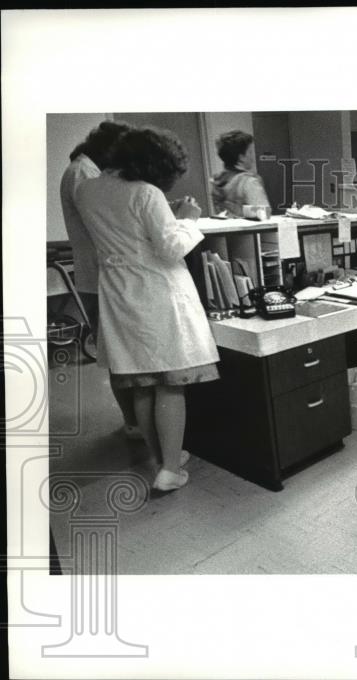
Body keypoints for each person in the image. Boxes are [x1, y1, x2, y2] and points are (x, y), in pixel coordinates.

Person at [75, 126, 220, 494]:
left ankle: (162, 461)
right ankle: (171, 469)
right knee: (170, 384)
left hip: (118, 294)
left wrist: (163, 216)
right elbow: (171, 248)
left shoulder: (87, 189)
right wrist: (188, 219)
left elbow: (125, 227)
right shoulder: (146, 192)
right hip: (156, 292)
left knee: (141, 383)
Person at [60, 121, 142, 440]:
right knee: (117, 351)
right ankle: (134, 422)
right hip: (100, 275)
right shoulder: (84, 174)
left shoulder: (83, 169)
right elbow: (105, 223)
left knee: (116, 350)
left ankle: (134, 420)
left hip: (98, 274)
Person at [210, 130, 270, 216]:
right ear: (241, 157)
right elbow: (264, 213)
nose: (252, 156)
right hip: (247, 229)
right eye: (250, 152)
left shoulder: (217, 182)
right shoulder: (249, 182)